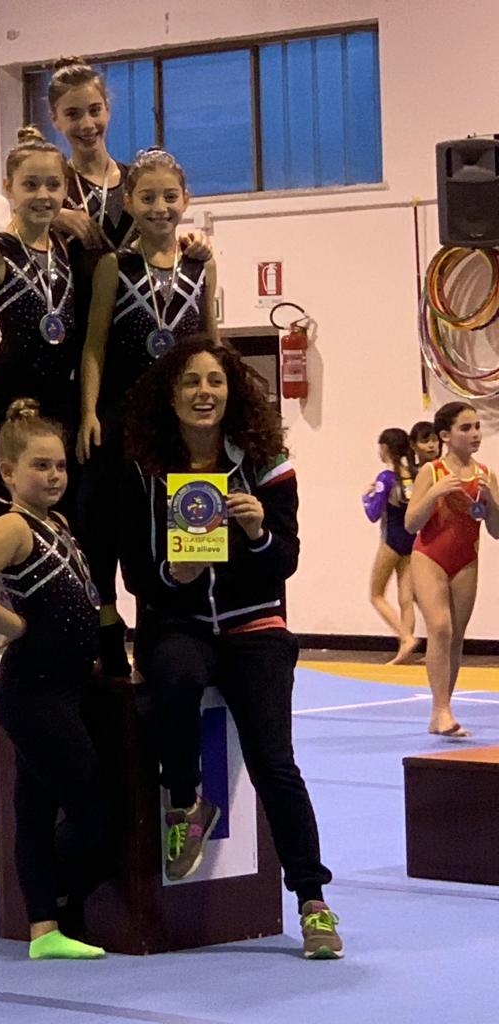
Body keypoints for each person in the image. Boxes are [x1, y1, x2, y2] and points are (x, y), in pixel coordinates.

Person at [120, 337, 342, 960]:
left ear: (232, 391)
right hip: (179, 622)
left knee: (275, 761)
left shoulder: (268, 464)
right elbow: (135, 571)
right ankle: (186, 804)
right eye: (191, 382)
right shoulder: (144, 468)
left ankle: (313, 902)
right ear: (170, 395)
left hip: (254, 624)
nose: (204, 393)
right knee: (175, 678)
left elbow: (286, 560)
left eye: (215, 381)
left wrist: (258, 531)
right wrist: (173, 576)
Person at [0, 399, 107, 960]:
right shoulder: (11, 527)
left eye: (60, 465)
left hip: (61, 687)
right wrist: (12, 626)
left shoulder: (56, 524)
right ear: (8, 472)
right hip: (33, 690)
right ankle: (54, 898)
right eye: (41, 466)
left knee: (35, 811)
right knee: (90, 811)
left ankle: (44, 927)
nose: (54, 475)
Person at [76, 148, 219, 677]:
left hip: (180, 427)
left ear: (186, 200)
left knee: (177, 530)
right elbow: (94, 346)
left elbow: (212, 346)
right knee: (111, 529)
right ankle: (108, 634)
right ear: (130, 203)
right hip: (121, 419)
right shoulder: (116, 266)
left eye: (170, 196)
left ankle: (173, 635)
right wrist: (89, 412)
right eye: (148, 197)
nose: (160, 207)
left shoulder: (201, 265)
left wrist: (219, 413)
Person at [0, 127, 79, 539]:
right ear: (8, 187)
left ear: (66, 189)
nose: (43, 195)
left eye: (53, 185)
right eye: (30, 185)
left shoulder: (68, 249)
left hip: (60, 399)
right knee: (2, 517)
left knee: (60, 515)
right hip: (5, 397)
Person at [47, 57, 210, 327]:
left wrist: (193, 242)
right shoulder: (52, 190)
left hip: (141, 326)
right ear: (55, 119)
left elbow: (162, 233)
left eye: (95, 110)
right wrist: (54, 215)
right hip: (80, 330)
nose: (87, 124)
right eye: (73, 114)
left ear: (108, 109)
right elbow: (15, 235)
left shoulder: (137, 181)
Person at [405, 402, 499, 737]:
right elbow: (411, 523)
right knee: (440, 628)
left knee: (456, 636)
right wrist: (434, 494)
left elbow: (496, 531)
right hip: (429, 557)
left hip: (466, 560)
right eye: (465, 428)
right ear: (446, 435)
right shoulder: (432, 472)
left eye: (477, 427)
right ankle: (440, 710)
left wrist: (492, 502)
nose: (475, 434)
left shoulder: (486, 475)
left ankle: (442, 710)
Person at [361, 427, 418, 663]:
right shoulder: (413, 474)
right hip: (411, 539)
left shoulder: (386, 478)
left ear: (385, 448)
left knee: (376, 594)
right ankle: (405, 647)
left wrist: (366, 497)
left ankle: (406, 637)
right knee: (406, 596)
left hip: (392, 540)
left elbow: (373, 514)